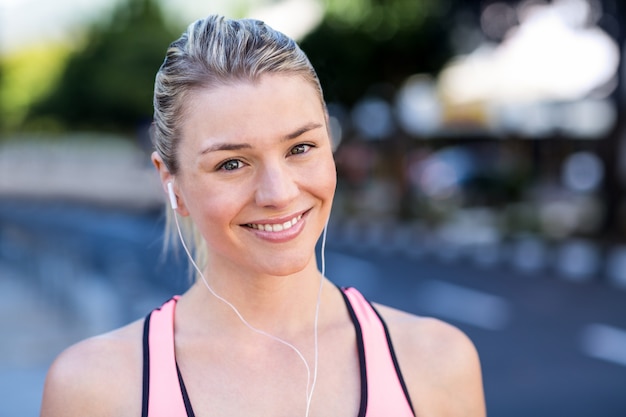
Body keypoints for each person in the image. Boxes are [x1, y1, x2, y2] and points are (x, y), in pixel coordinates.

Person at [40, 15, 485, 417]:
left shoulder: (436, 362)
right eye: (231, 163)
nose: (279, 193)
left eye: (300, 148)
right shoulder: (92, 389)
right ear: (170, 182)